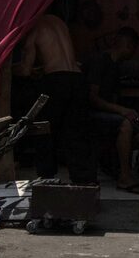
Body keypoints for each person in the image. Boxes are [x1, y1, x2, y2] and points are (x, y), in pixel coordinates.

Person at [12, 14, 96, 183]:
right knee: (76, 134)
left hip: (56, 81)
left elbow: (26, 70)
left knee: (44, 130)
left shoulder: (33, 26)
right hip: (77, 79)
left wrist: (5, 69)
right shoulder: (59, 21)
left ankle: (46, 179)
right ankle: (85, 182)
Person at [84, 27, 139, 191]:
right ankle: (124, 177)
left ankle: (115, 165)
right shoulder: (100, 61)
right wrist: (121, 110)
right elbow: (93, 98)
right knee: (125, 124)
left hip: (107, 113)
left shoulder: (116, 65)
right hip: (92, 113)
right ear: (128, 45)